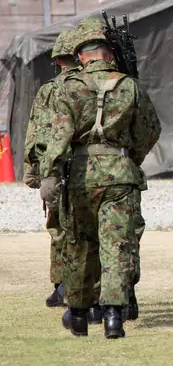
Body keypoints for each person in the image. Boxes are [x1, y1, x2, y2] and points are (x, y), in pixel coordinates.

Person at [30, 19, 160, 338]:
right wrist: (129, 158)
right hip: (120, 176)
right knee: (117, 245)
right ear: (109, 54)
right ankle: (114, 316)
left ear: (81, 56)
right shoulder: (129, 85)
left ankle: (78, 313)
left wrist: (49, 175)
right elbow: (149, 130)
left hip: (79, 178)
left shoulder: (66, 88)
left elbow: (58, 137)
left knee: (80, 245)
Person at [22, 26, 104, 324]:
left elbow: (37, 134)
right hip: (96, 169)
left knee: (61, 229)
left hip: (59, 168)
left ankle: (64, 287)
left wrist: (35, 173)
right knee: (96, 231)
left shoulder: (51, 89)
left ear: (58, 60)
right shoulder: (101, 83)